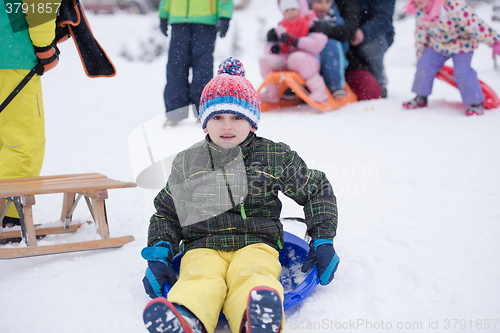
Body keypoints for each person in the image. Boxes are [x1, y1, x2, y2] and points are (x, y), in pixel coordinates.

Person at [141, 57, 340, 333]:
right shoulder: (189, 162)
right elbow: (167, 211)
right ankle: (187, 318)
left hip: (256, 242)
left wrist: (323, 239)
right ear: (204, 122)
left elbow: (316, 189)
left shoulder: (274, 156)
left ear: (252, 122)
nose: (226, 126)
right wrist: (160, 252)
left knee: (254, 273)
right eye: (217, 117)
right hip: (203, 244)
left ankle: (254, 318)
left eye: (236, 117)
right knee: (200, 277)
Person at [0, 1, 60, 227]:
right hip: (14, 56)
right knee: (23, 142)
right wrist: (45, 48)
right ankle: (9, 216)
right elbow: (40, 5)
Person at [403, 0, 500, 116]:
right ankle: (421, 96)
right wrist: (420, 54)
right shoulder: (420, 9)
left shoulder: (452, 5)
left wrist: (495, 41)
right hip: (438, 44)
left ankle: (475, 102)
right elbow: (421, 32)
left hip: (462, 44)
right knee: (424, 65)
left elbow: (475, 24)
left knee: (462, 72)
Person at [158, 0, 233, 127]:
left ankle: (203, 111)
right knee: (176, 68)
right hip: (178, 20)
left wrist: (225, 15)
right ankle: (175, 112)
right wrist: (163, 14)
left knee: (202, 68)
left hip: (205, 22)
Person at [259, 0, 330, 103]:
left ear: (300, 8)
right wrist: (273, 48)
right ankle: (272, 92)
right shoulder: (280, 28)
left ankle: (319, 91)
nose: (290, 12)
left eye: (293, 9)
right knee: (265, 60)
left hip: (307, 59)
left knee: (297, 58)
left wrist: (296, 42)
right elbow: (267, 48)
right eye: (287, 10)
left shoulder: (312, 23)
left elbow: (317, 45)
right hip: (285, 60)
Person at [308, 0, 360, 97]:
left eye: (327, 2)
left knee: (330, 46)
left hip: (335, 54)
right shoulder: (306, 16)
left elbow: (348, 30)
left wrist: (329, 31)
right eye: (319, 2)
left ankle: (335, 85)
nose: (323, 6)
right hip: (312, 51)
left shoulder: (334, 16)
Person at [345, 0, 395, 99]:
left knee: (369, 48)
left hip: (374, 36)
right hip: (346, 33)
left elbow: (383, 19)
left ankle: (379, 80)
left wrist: (363, 32)